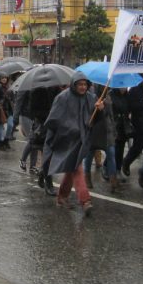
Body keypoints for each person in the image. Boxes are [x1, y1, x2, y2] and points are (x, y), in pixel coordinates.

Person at [43, 72, 103, 216]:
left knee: (72, 167)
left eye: (85, 84)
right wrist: (69, 128)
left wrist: (100, 110)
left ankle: (62, 197)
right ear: (74, 84)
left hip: (82, 139)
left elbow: (96, 120)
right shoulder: (62, 97)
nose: (83, 87)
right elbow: (54, 119)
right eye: (80, 84)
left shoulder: (91, 98)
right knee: (77, 168)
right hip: (66, 139)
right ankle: (85, 200)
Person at [83, 85, 120, 193]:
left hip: (107, 131)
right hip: (94, 131)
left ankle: (113, 181)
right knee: (89, 155)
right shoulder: (90, 97)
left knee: (111, 155)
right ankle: (87, 177)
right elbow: (88, 116)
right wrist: (96, 109)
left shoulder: (108, 97)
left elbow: (110, 115)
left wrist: (114, 130)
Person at [122, 75, 143, 177]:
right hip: (139, 123)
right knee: (138, 147)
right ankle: (126, 162)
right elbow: (132, 106)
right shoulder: (134, 90)